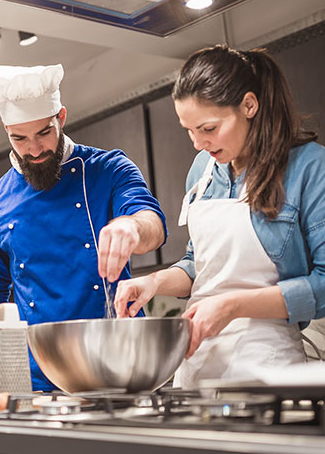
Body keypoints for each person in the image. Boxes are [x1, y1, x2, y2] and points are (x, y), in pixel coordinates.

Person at [114, 45, 325, 388]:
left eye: (208, 128)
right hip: (197, 365)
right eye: (189, 130)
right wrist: (153, 283)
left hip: (267, 367)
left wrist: (233, 306)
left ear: (249, 105)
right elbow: (200, 265)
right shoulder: (203, 171)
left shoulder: (308, 167)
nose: (198, 143)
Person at [0, 64, 167, 391]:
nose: (33, 149)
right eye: (19, 138)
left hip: (118, 363)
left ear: (60, 118)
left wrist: (131, 226)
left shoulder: (109, 169)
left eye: (44, 134)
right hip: (38, 376)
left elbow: (153, 226)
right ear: (6, 129)